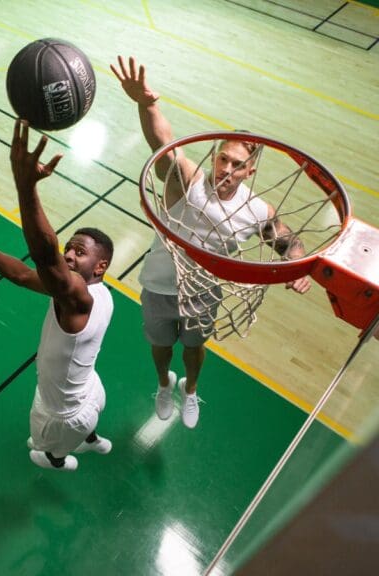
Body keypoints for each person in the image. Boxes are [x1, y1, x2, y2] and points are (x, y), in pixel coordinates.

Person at [111, 56, 311, 429]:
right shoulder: (188, 181)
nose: (227, 170)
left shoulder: (256, 210)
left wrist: (298, 269)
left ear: (251, 170)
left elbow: (290, 242)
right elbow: (164, 143)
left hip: (204, 293)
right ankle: (163, 384)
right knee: (160, 347)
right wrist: (147, 103)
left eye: (237, 165)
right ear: (214, 156)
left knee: (193, 348)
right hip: (157, 285)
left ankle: (189, 390)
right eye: (223, 160)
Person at [0, 120, 114, 471]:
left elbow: (45, 255)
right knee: (91, 414)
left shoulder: (77, 296)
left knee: (45, 448)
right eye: (69, 248)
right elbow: (22, 274)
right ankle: (93, 441)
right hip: (90, 390)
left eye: (80, 252)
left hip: (61, 415)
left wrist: (26, 186)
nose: (69, 255)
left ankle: (57, 459)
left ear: (100, 266)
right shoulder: (100, 293)